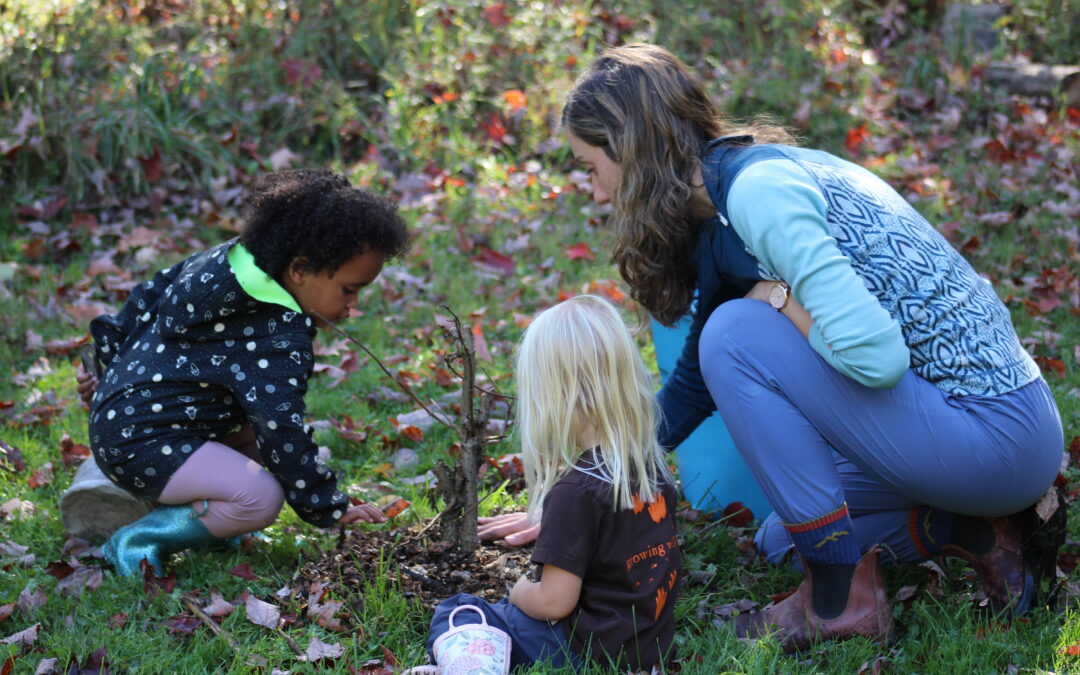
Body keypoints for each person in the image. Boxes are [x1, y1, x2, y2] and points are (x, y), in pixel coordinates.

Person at [486, 43, 1065, 652]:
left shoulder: (760, 193)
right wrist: (595, 487)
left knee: (737, 334)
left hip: (997, 431)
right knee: (781, 540)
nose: (597, 193)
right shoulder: (727, 201)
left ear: (627, 150)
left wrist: (780, 299)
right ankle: (984, 532)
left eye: (590, 167)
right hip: (965, 433)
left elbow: (878, 359)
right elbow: (693, 386)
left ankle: (838, 602)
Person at [74, 169, 410, 577]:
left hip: (129, 421)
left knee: (259, 440)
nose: (353, 306)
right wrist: (326, 506)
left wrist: (103, 362)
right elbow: (282, 429)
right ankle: (139, 539)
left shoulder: (225, 262)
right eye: (348, 289)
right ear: (301, 269)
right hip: (145, 443)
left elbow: (145, 298)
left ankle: (204, 518)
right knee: (259, 498)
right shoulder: (278, 333)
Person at [421, 295, 682, 673]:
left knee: (462, 609)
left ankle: (472, 667)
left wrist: (520, 590)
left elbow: (553, 603)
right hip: (642, 649)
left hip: (582, 649)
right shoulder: (652, 472)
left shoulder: (576, 492)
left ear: (553, 398)